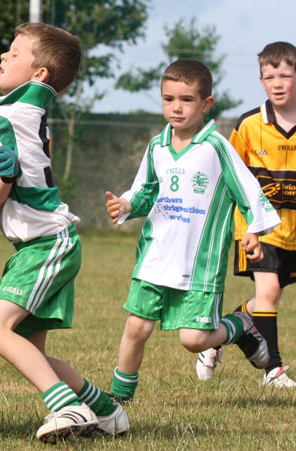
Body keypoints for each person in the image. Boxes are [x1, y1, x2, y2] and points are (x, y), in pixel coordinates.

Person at [0, 22, 129, 443]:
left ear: (39, 74)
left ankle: (66, 407)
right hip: (45, 245)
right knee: (34, 353)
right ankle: (106, 410)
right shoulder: (15, 110)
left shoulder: (8, 113)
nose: (2, 56)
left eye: (13, 53)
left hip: (47, 245)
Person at [105, 58, 281, 403]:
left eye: (186, 100)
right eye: (169, 99)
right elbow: (145, 189)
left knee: (194, 340)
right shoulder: (157, 146)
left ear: (206, 104)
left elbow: (247, 190)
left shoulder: (216, 147)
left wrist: (254, 230)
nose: (176, 108)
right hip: (155, 257)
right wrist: (127, 205)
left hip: (198, 264)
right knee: (136, 327)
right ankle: (118, 399)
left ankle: (242, 326)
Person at [196, 42, 296, 387]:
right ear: (261, 81)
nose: (278, 83)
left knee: (267, 299)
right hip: (258, 227)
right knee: (268, 290)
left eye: (285, 75)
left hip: (293, 232)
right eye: (270, 77)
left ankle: (220, 333)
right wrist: (240, 227)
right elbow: (229, 177)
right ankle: (274, 370)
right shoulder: (249, 125)